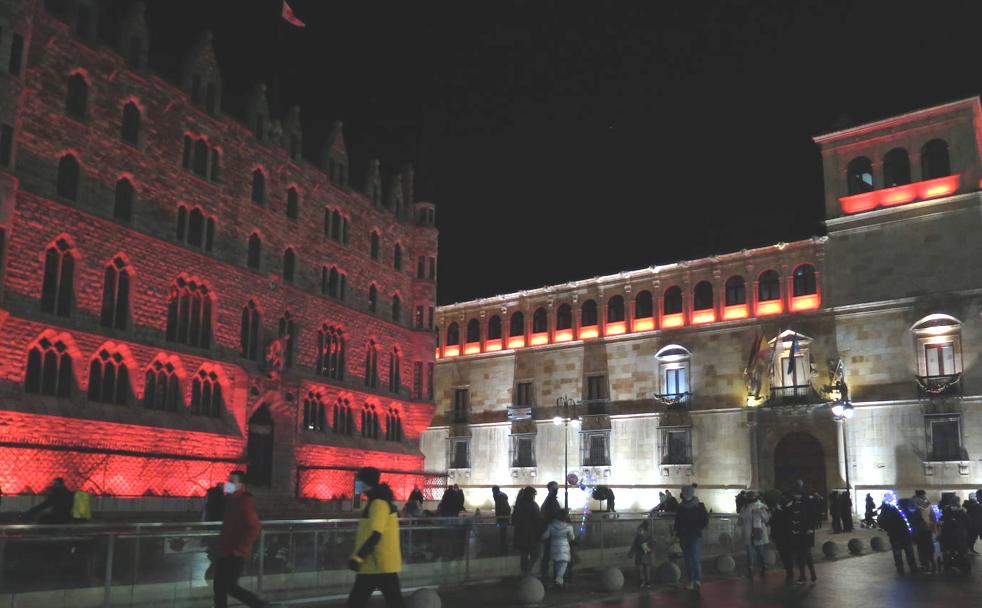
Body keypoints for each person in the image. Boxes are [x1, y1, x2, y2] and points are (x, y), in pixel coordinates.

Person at [346, 467, 406, 607]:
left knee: (356, 602)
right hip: (377, 564)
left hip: (377, 563)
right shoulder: (376, 501)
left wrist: (358, 558)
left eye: (359, 480)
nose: (357, 483)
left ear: (366, 483)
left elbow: (375, 534)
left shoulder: (378, 503)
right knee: (395, 602)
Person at [212, 471, 268, 608]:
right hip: (225, 549)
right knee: (219, 587)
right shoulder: (230, 499)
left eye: (232, 481)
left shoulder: (244, 501)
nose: (228, 484)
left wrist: (240, 549)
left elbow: (254, 527)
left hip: (235, 552)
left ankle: (259, 605)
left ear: (241, 485)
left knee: (229, 586)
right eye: (228, 480)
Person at [673, 485, 709, 590]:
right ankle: (691, 580)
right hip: (684, 536)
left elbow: (705, 521)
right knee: (688, 559)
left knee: (695, 558)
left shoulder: (699, 506)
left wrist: (695, 528)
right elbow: (677, 521)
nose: (683, 494)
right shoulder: (681, 507)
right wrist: (677, 532)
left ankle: (696, 579)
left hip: (695, 535)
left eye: (684, 492)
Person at [877, 494, 917, 575]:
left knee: (900, 551)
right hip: (900, 533)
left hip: (898, 533)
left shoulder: (892, 507)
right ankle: (908, 567)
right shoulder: (892, 508)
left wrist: (888, 528)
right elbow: (881, 521)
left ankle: (903, 567)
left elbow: (881, 521)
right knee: (904, 551)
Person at [787, 480, 817, 584]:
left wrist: (810, 528)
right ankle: (805, 575)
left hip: (805, 532)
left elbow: (812, 516)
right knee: (800, 555)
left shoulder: (808, 501)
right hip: (796, 533)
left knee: (805, 554)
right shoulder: (793, 502)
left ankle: (809, 574)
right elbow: (791, 516)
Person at [738, 491, 770, 579]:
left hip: (758, 533)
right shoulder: (745, 507)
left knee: (760, 552)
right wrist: (749, 509)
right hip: (748, 533)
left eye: (752, 497)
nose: (751, 499)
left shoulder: (761, 506)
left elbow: (766, 519)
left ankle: (763, 566)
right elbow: (741, 518)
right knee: (749, 553)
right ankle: (750, 570)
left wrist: (760, 512)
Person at [511, 487, 543, 575]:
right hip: (531, 535)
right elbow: (538, 520)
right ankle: (527, 571)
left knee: (524, 555)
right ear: (531, 495)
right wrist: (540, 534)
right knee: (535, 554)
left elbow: (514, 520)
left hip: (520, 535)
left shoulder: (518, 505)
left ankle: (524, 572)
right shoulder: (533, 505)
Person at [541, 509, 575, 589]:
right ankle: (559, 581)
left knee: (557, 565)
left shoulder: (551, 525)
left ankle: (559, 582)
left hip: (554, 548)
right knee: (563, 565)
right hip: (564, 549)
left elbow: (545, 536)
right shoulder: (569, 527)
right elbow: (572, 537)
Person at [939, 494, 971, 575]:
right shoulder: (953, 512)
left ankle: (956, 562)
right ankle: (956, 562)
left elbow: (967, 523)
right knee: (956, 550)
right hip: (955, 536)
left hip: (955, 536)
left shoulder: (958, 512)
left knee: (957, 550)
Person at [770, 490, 795, 583]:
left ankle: (790, 570)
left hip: (785, 536)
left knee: (787, 554)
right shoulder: (779, 510)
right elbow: (774, 523)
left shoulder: (785, 510)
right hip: (782, 536)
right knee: (785, 554)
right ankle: (789, 569)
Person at [911, 490, 937, 573]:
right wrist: (933, 526)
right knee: (928, 547)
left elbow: (912, 517)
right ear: (921, 495)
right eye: (924, 495)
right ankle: (932, 565)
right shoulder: (926, 503)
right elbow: (932, 516)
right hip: (926, 529)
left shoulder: (913, 504)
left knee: (922, 548)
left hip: (920, 530)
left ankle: (925, 565)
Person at [539, 482, 561, 579]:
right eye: (555, 488)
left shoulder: (549, 500)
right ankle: (551, 575)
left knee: (548, 554)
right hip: (552, 531)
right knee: (552, 554)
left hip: (550, 530)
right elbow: (553, 515)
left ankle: (547, 574)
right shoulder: (551, 501)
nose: (557, 490)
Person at [627, 520, 655, 587]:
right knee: (640, 569)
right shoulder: (638, 538)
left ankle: (647, 581)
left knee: (647, 569)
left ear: (644, 530)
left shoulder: (649, 537)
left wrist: (648, 548)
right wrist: (631, 553)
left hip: (646, 555)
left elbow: (653, 544)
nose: (639, 531)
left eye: (640, 530)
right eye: (638, 530)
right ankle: (642, 581)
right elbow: (634, 546)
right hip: (639, 556)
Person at [492, 485, 512, 553]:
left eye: (493, 490)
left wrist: (498, 518)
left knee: (501, 530)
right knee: (503, 530)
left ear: (495, 490)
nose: (492, 492)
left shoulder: (498, 496)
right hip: (504, 516)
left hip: (501, 517)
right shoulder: (501, 495)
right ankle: (503, 547)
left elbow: (499, 508)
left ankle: (503, 548)